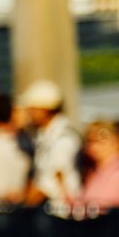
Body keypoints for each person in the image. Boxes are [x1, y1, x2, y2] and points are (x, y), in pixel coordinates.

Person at [19, 79, 82, 209]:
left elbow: (54, 177)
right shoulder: (45, 135)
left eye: (32, 109)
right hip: (50, 208)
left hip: (59, 211)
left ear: (45, 110)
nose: (29, 114)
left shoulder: (64, 137)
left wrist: (25, 205)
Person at [77, 119, 119, 211]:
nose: (93, 146)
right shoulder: (96, 171)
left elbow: (102, 209)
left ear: (115, 142)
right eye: (90, 141)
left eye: (100, 140)